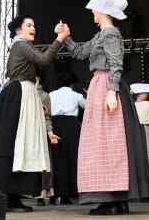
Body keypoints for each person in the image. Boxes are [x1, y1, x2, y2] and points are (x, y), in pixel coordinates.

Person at [55, 0, 149, 215]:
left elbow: (117, 64)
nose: (91, 12)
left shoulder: (110, 34)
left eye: (94, 9)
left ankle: (112, 199)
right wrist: (66, 35)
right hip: (102, 84)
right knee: (106, 144)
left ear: (103, 11)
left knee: (109, 143)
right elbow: (79, 53)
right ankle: (116, 200)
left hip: (107, 84)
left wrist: (111, 92)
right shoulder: (102, 35)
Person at [0, 14, 70, 212]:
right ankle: (8, 197)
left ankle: (12, 196)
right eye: (29, 25)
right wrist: (60, 39)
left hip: (23, 95)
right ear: (18, 30)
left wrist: (36, 103)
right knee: (16, 142)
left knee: (21, 143)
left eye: (34, 25)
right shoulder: (21, 45)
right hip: (19, 95)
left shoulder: (20, 46)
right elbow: (45, 59)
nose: (34, 28)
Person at [48, 71, 86, 205]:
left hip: (54, 125)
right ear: (72, 83)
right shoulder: (76, 95)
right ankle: (66, 194)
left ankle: (53, 194)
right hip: (71, 126)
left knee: (55, 158)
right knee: (71, 158)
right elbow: (88, 106)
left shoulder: (51, 95)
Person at [34, 68, 59, 206]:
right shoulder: (20, 92)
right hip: (25, 132)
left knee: (43, 164)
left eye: (36, 77)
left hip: (40, 131)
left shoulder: (44, 95)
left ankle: (41, 196)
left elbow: (47, 117)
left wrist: (49, 132)